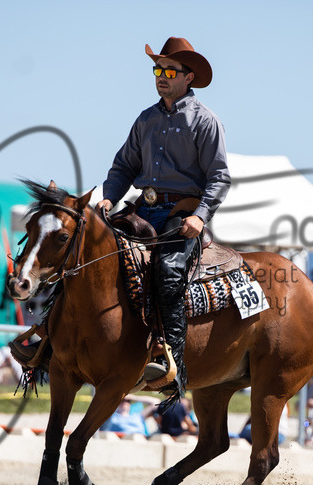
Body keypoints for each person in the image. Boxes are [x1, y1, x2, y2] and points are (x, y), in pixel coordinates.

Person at [95, 36, 231, 405]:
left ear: (189, 77)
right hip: (142, 209)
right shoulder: (146, 119)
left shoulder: (205, 121)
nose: (162, 75)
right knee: (91, 253)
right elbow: (124, 166)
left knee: (168, 273)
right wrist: (109, 195)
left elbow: (219, 176)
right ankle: (53, 338)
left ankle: (172, 366)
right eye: (158, 69)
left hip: (180, 214)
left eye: (170, 70)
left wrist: (201, 217)